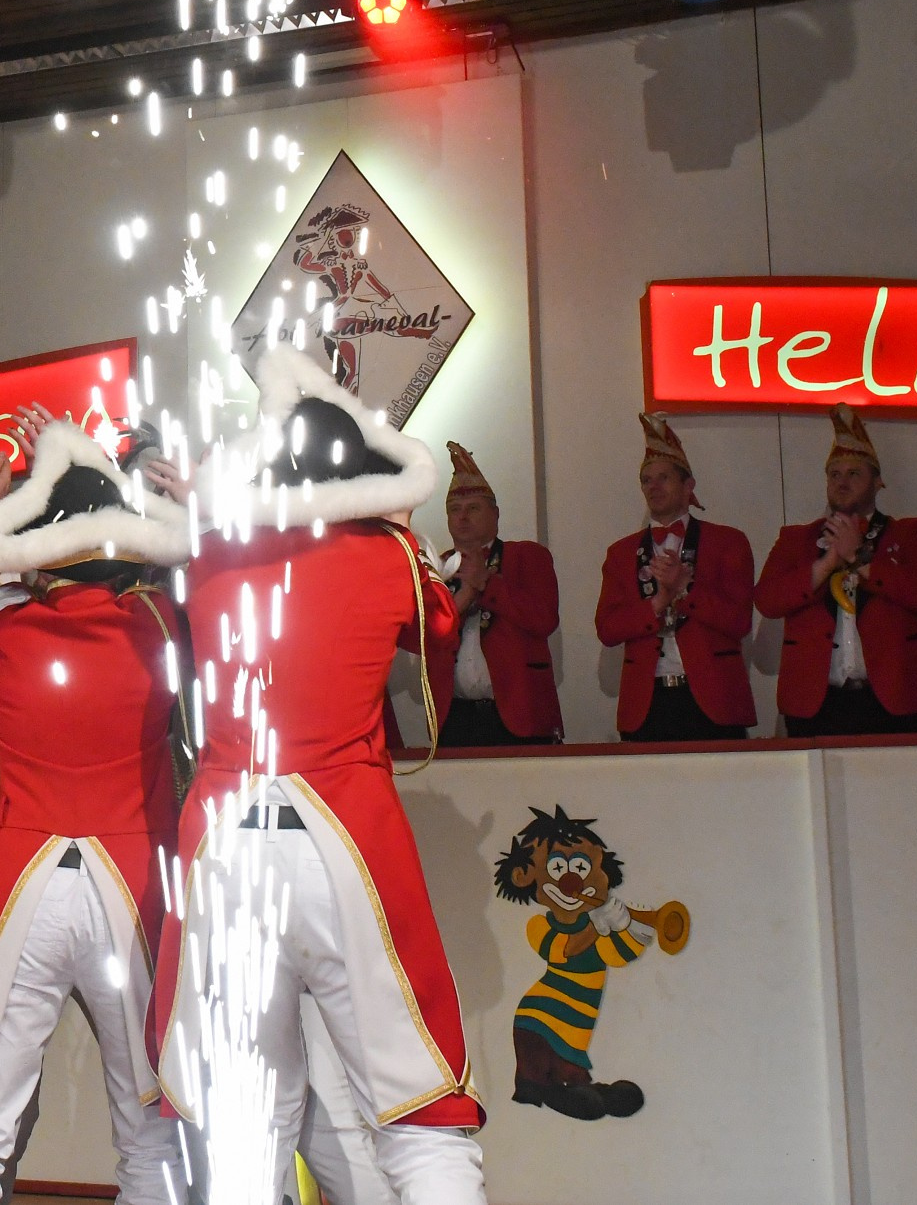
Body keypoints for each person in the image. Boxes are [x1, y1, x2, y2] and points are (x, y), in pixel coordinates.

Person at [153, 344, 486, 1205]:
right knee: (418, 1113)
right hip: (343, 837)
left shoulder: (212, 556)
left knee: (247, 1124)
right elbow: (439, 631)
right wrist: (397, 526)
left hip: (226, 846)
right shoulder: (388, 556)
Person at [0, 418, 189, 1205]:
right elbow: (198, 580)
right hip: (129, 890)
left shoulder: (0, 626)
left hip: (23, 889)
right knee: (148, 1131)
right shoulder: (160, 624)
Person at [757, 405, 917, 737]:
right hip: (818, 703)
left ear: (878, 481)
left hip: (898, 700)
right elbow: (767, 601)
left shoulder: (911, 533)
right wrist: (826, 564)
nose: (842, 482)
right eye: (834, 474)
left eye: (854, 474)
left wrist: (858, 558)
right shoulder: (797, 539)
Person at [594, 413, 755, 742]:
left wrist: (685, 590)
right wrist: (657, 604)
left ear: (688, 486)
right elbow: (607, 629)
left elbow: (739, 621)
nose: (653, 487)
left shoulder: (727, 541)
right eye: (646, 480)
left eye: (663, 478)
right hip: (646, 703)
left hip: (714, 700)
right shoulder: (621, 552)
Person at [431, 443, 563, 747]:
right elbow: (425, 639)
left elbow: (544, 620)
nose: (463, 517)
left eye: (473, 508)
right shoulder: (436, 568)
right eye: (455, 510)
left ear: (496, 514)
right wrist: (464, 598)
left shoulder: (527, 556)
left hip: (520, 716)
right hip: (455, 718)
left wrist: (487, 585)